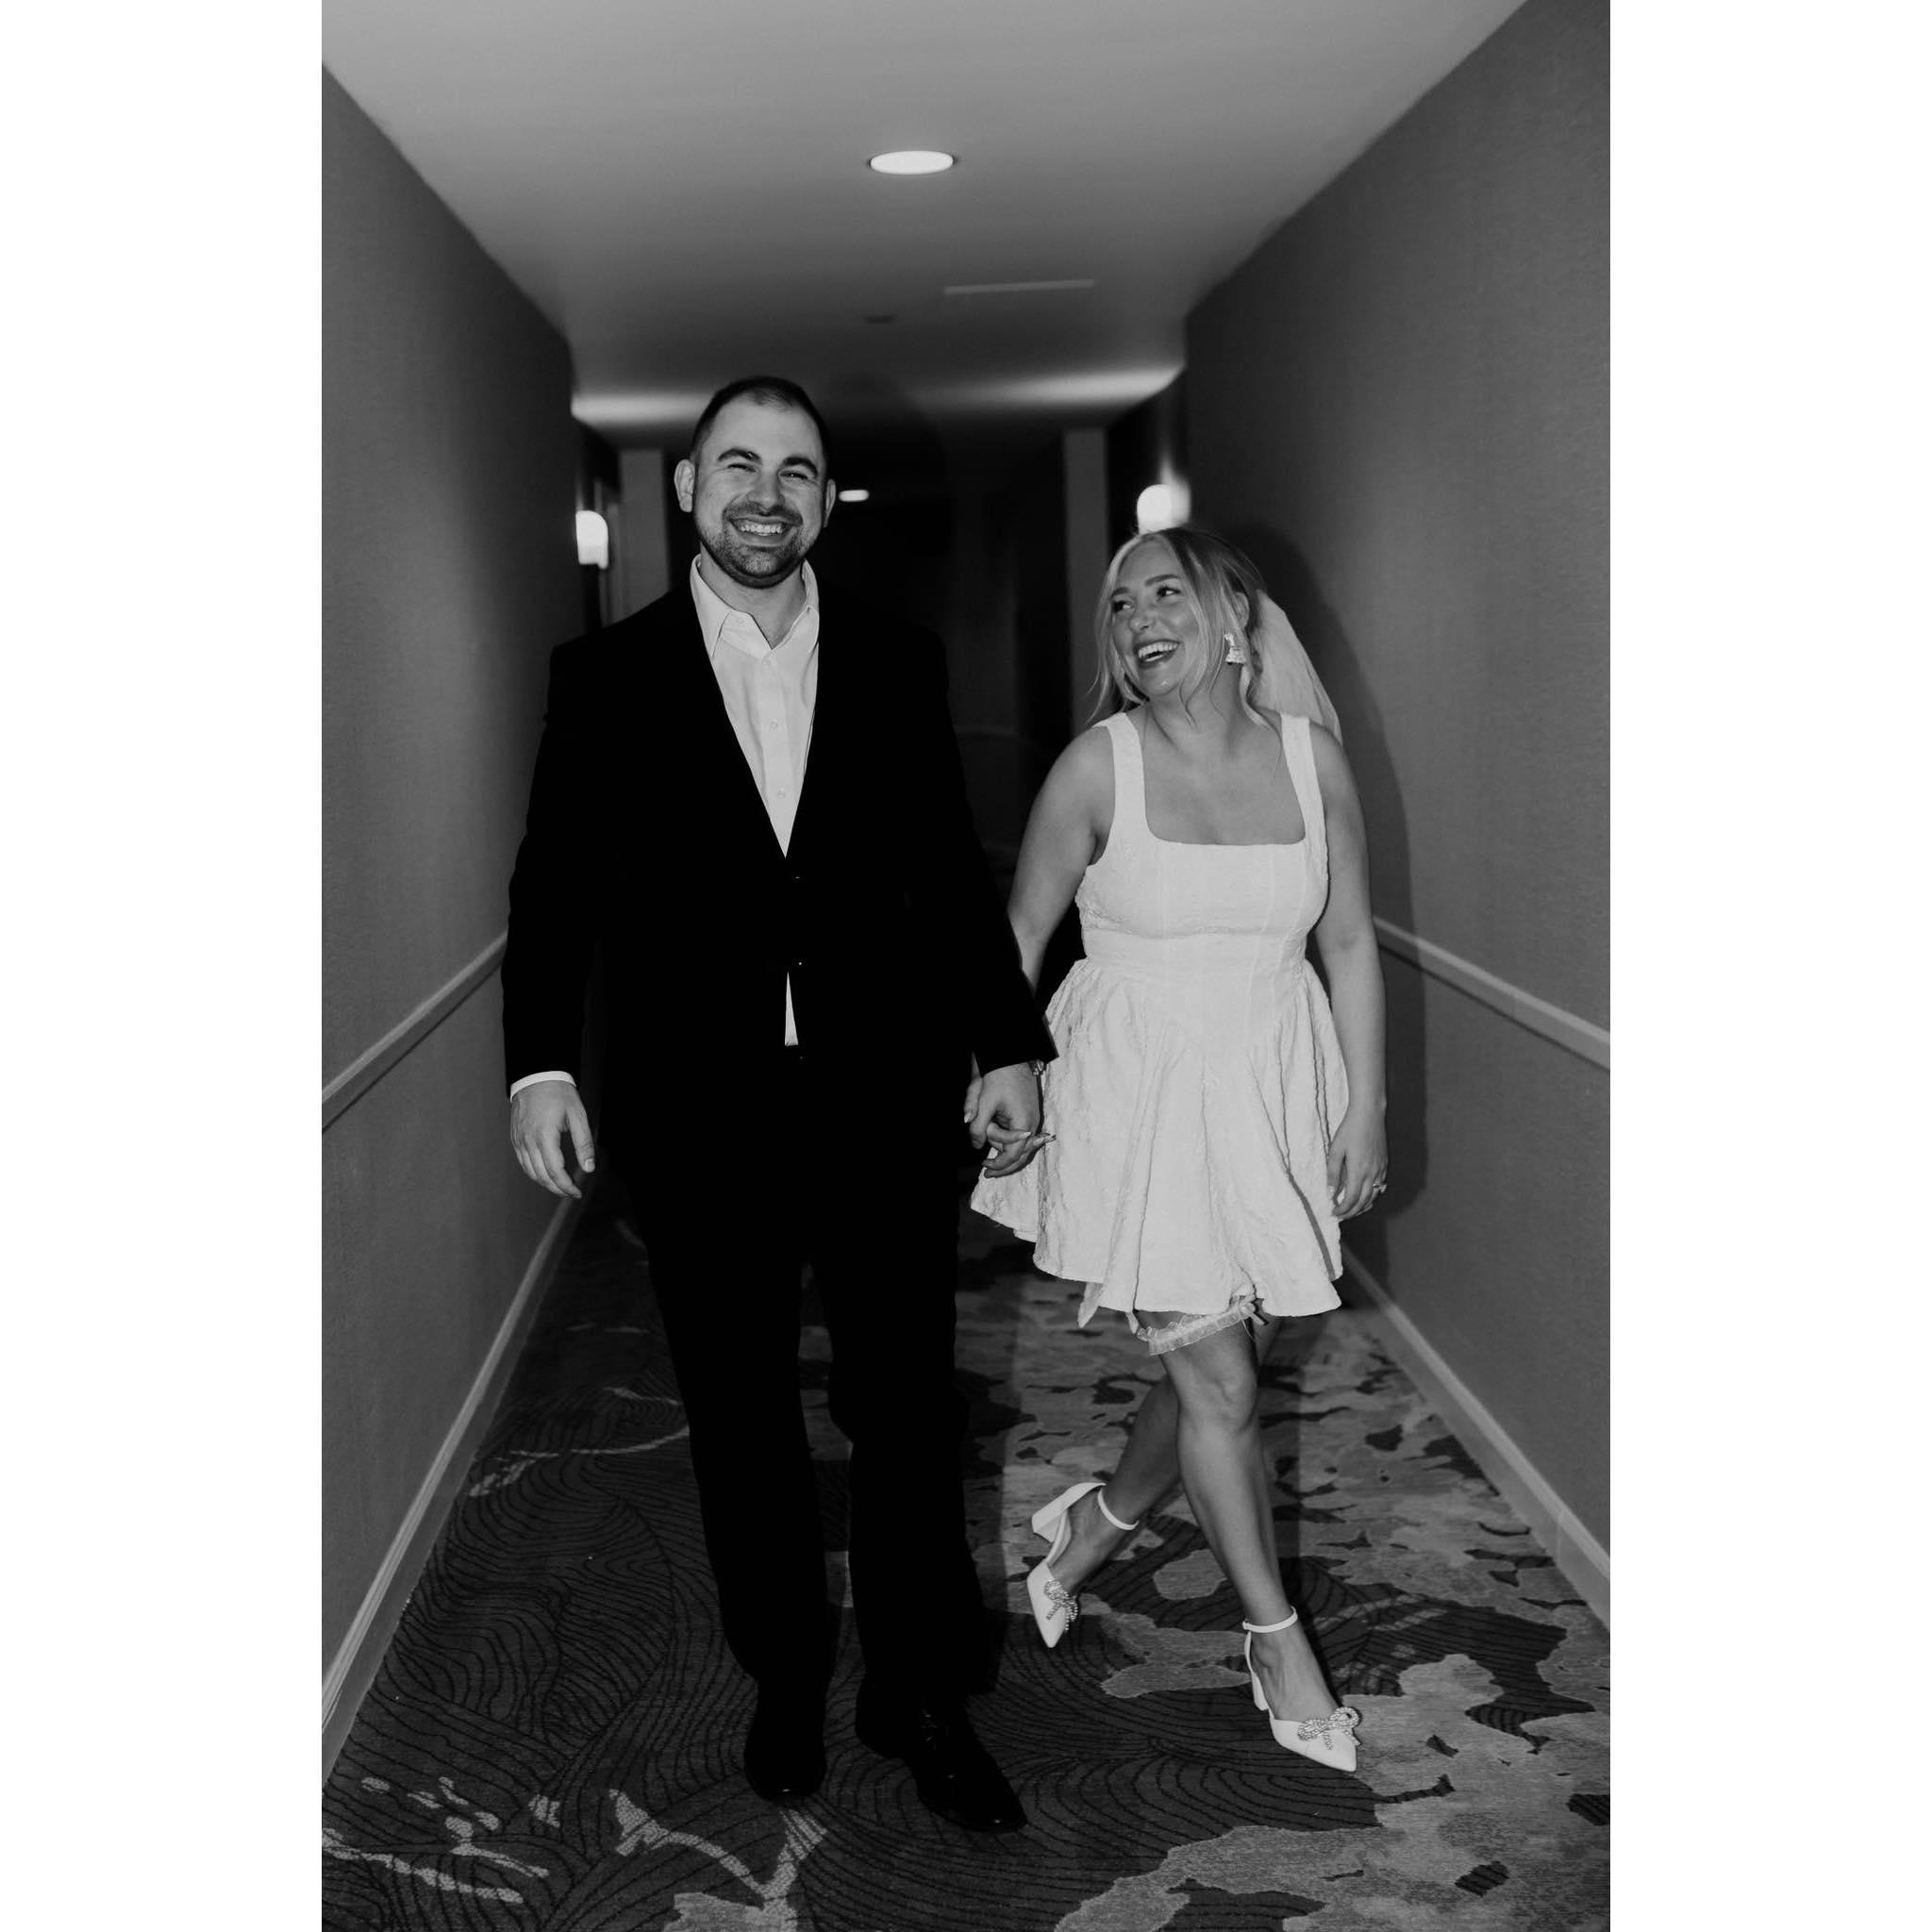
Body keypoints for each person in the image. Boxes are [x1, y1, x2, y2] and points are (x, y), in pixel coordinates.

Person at [501, 376, 1053, 1831]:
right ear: (689, 488)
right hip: (700, 1113)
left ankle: (919, 1691)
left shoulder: (896, 658)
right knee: (740, 1412)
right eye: (738, 466)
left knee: (907, 1409)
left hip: (881, 1099)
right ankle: (789, 1674)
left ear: (824, 499)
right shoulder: (604, 675)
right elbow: (554, 887)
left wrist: (1005, 1041)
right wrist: (540, 1062)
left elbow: (947, 870)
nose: (767, 494)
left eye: (797, 471)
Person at [971, 525, 1387, 1773]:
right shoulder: (1095, 767)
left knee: (1230, 1358)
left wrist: (1366, 1106)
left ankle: (1098, 1522)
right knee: (1222, 1385)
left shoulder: (1312, 761)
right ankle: (1275, 1641)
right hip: (1138, 1096)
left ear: (1235, 617)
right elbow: (1015, 938)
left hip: (1272, 1083)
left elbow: (1349, 942)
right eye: (1120, 603)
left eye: (1166, 591)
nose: (1138, 617)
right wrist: (998, 1069)